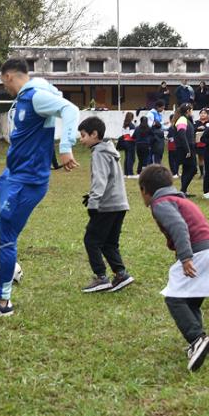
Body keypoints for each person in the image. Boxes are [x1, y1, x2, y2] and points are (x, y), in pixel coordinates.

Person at [0, 58, 79, 316]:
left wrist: (66, 147)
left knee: (6, 237)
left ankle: (3, 302)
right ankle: (7, 268)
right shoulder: (24, 98)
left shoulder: (36, 97)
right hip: (11, 174)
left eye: (3, 82)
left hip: (27, 182)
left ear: (8, 76)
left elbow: (70, 109)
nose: (4, 87)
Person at [139, 165, 209, 372]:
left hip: (197, 253)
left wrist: (185, 257)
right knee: (190, 300)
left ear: (144, 190)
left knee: (174, 298)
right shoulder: (179, 199)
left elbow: (179, 226)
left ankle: (197, 339)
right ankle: (201, 343)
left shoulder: (160, 203)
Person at [77, 116, 134, 293]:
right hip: (120, 204)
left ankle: (101, 277)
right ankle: (121, 274)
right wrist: (92, 196)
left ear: (94, 134)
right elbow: (110, 180)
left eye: (83, 135)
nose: (81, 139)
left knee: (91, 240)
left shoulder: (99, 153)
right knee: (109, 243)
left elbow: (100, 180)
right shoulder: (109, 150)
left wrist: (93, 203)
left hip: (107, 206)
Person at [173, 104, 197, 195]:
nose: (192, 112)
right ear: (188, 111)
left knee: (186, 169)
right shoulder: (182, 119)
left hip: (187, 146)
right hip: (186, 147)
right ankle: (183, 190)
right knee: (193, 169)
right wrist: (187, 149)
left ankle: (184, 191)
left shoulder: (186, 119)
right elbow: (182, 134)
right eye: (191, 110)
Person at [120, 111, 136, 178]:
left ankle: (126, 173)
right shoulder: (131, 125)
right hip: (131, 142)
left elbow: (123, 134)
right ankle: (130, 173)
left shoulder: (124, 125)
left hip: (125, 141)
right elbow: (132, 135)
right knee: (131, 158)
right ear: (131, 118)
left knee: (127, 158)